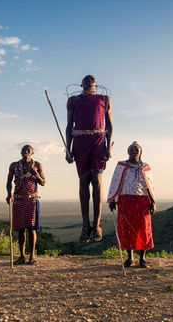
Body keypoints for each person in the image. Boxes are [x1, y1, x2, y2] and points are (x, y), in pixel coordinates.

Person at [65, 74, 113, 244]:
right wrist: (68, 149)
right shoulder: (73, 101)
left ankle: (97, 225)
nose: (90, 83)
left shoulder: (104, 99)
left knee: (97, 181)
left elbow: (109, 125)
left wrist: (108, 147)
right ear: (81, 84)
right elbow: (69, 125)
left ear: (96, 84)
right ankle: (85, 227)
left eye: (92, 81)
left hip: (99, 142)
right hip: (79, 143)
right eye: (86, 81)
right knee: (84, 181)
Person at [107, 141, 156, 268]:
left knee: (143, 229)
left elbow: (150, 185)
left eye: (136, 150)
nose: (134, 152)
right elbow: (115, 182)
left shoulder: (145, 166)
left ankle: (143, 258)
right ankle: (130, 258)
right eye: (132, 150)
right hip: (125, 200)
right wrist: (112, 199)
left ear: (140, 153)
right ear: (127, 152)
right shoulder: (121, 165)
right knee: (127, 228)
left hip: (142, 200)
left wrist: (153, 201)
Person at [6, 144, 46, 265]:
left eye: (28, 150)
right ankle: (22, 256)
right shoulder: (14, 165)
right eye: (24, 150)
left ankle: (32, 255)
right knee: (20, 230)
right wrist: (9, 194)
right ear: (21, 152)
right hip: (18, 200)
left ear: (32, 153)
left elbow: (43, 183)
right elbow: (8, 182)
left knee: (31, 229)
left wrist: (36, 174)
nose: (26, 152)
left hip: (32, 200)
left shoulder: (37, 165)